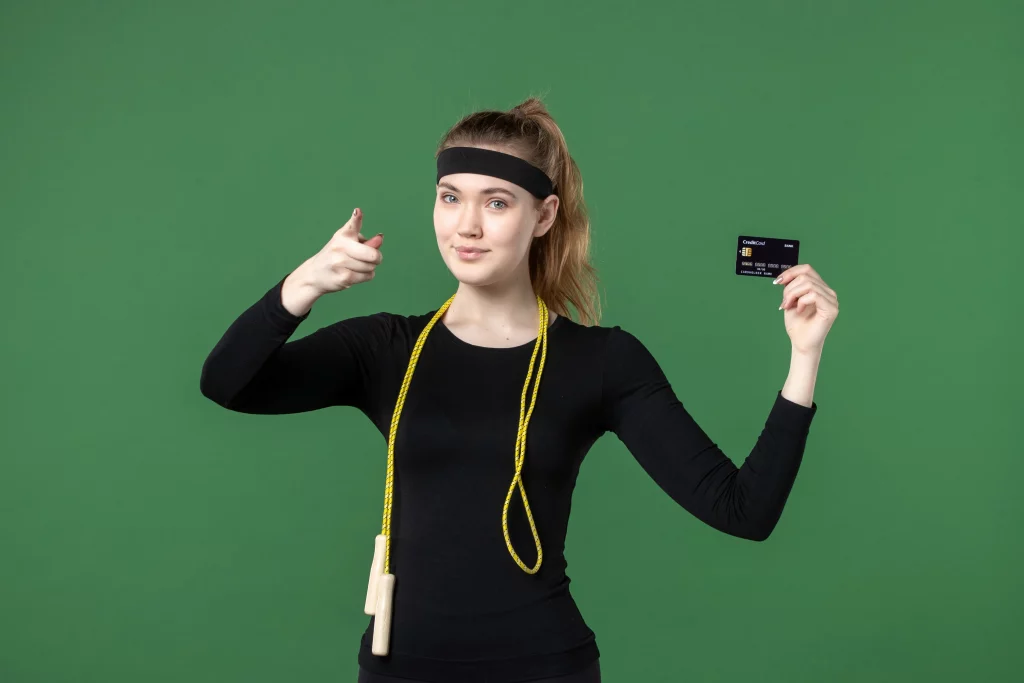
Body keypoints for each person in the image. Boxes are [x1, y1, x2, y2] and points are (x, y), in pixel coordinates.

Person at [199, 97, 838, 683]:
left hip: (544, 667)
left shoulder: (603, 361)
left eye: (497, 203)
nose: (466, 226)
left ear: (544, 215)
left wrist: (804, 357)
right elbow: (227, 384)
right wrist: (302, 287)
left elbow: (743, 512)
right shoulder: (385, 348)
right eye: (450, 197)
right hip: (401, 668)